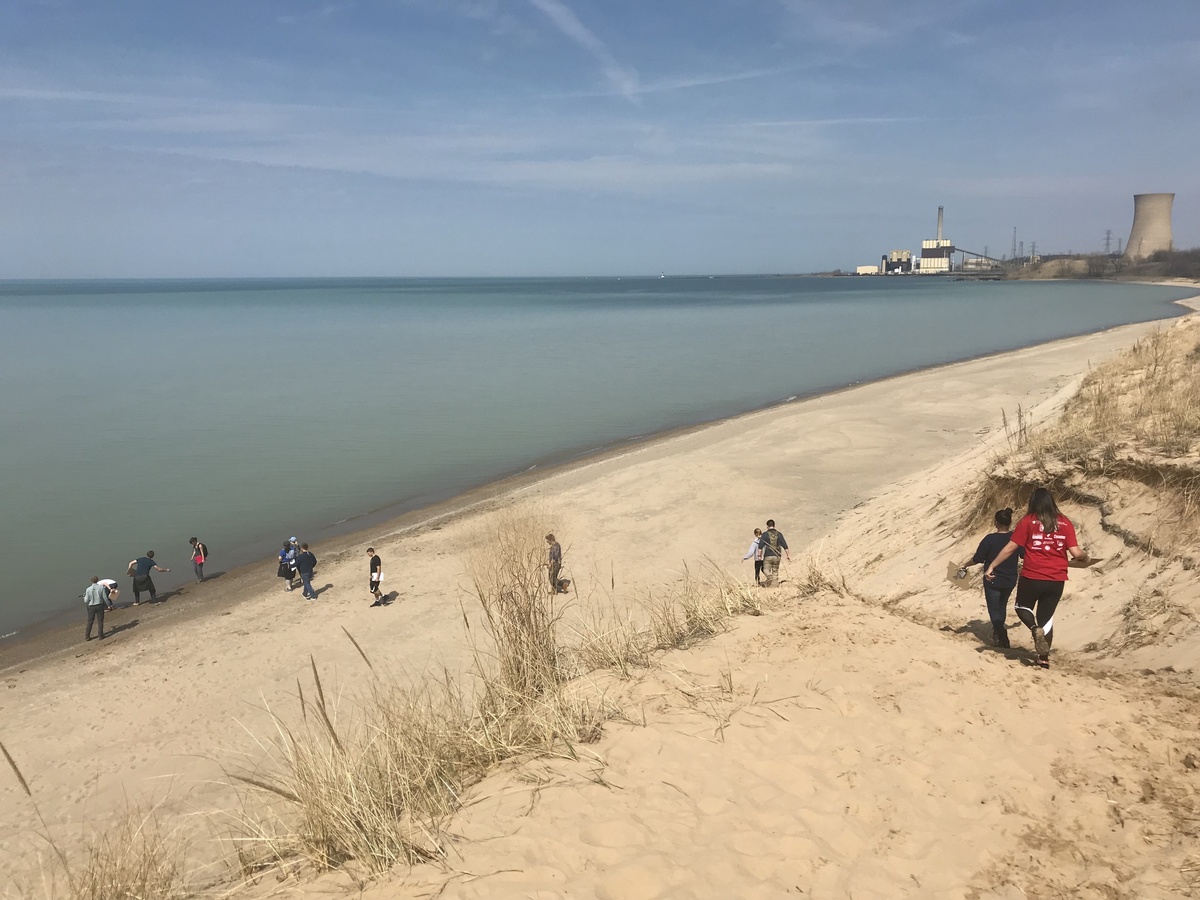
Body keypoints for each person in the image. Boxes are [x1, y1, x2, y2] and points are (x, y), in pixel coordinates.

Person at [984, 488, 1087, 669]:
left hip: (1033, 575)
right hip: (1056, 579)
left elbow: (1010, 548)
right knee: (1046, 618)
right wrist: (1085, 558)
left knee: (1021, 606)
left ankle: (1033, 629)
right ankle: (1043, 659)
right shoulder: (1064, 522)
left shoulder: (1028, 521)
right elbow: (1075, 552)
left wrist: (992, 565)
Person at [957, 508, 1022, 648]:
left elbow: (978, 559)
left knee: (993, 609)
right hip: (1010, 579)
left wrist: (965, 565)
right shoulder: (1016, 538)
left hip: (992, 578)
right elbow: (1024, 554)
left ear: (995, 523)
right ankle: (998, 633)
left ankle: (1001, 633)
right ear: (1009, 522)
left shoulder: (989, 539)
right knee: (1002, 605)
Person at [756, 520, 790, 586]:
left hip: (768, 555)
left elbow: (760, 546)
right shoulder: (779, 534)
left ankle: (769, 577)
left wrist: (759, 555)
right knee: (775, 570)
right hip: (777, 556)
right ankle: (774, 585)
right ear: (774, 525)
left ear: (767, 526)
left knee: (765, 569)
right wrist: (788, 555)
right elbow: (785, 545)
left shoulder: (765, 534)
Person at [84, 576, 110, 641]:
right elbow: (105, 598)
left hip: (91, 606)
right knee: (100, 621)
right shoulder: (101, 588)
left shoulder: (88, 589)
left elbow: (86, 601)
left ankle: (87, 636)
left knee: (90, 621)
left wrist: (85, 596)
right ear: (97, 580)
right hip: (99, 605)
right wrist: (108, 605)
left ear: (91, 581)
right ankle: (100, 635)